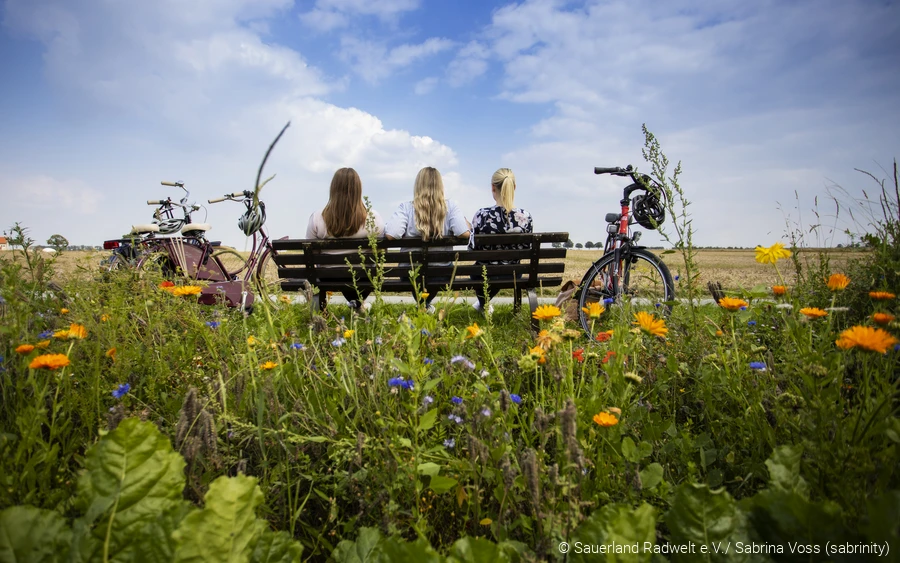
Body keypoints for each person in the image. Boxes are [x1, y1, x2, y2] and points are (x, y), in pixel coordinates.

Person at [384, 166, 470, 310]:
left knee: (416, 274)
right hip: (441, 275)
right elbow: (464, 233)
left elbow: (391, 234)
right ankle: (425, 306)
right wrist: (466, 222)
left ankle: (424, 306)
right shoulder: (450, 207)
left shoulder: (406, 208)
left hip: (410, 275)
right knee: (440, 271)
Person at [306, 167, 384, 310]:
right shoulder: (373, 218)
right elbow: (379, 252)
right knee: (370, 269)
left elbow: (312, 253)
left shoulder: (317, 217)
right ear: (358, 189)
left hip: (328, 277)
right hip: (363, 277)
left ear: (333, 189)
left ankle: (350, 305)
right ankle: (358, 304)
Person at [470, 167, 533, 314]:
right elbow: (526, 247)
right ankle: (483, 305)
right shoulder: (526, 216)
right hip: (513, 273)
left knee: (476, 271)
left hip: (484, 272)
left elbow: (473, 249)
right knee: (503, 271)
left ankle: (483, 304)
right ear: (514, 187)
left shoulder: (482, 214)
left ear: (493, 187)